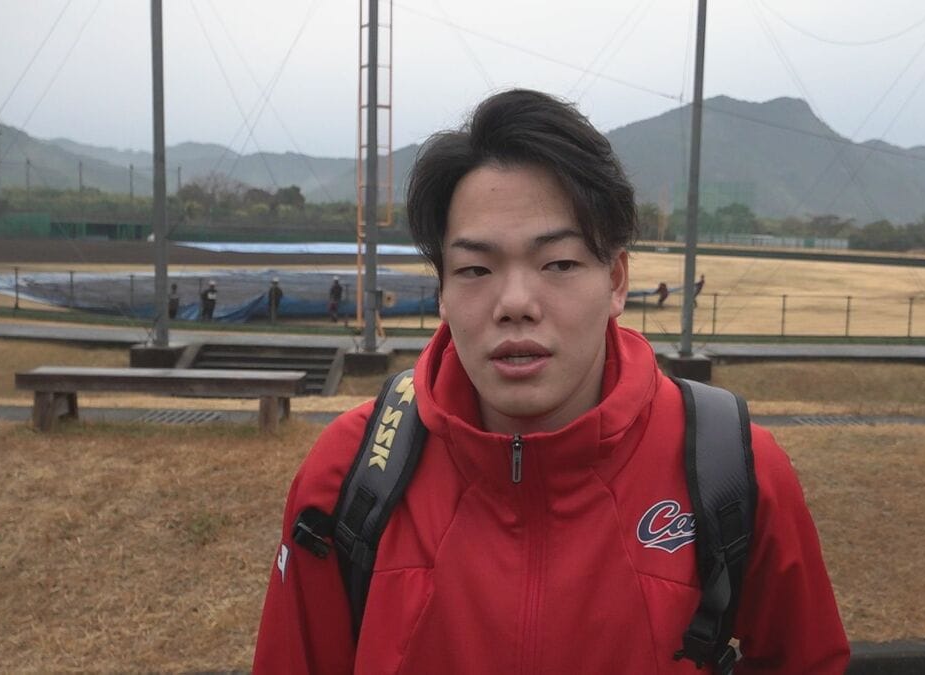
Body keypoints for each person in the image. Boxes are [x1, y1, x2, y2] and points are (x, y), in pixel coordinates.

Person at [254, 89, 848, 673]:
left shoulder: (735, 471)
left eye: (559, 263)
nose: (515, 303)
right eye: (475, 268)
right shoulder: (348, 475)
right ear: (442, 293)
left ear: (616, 280)